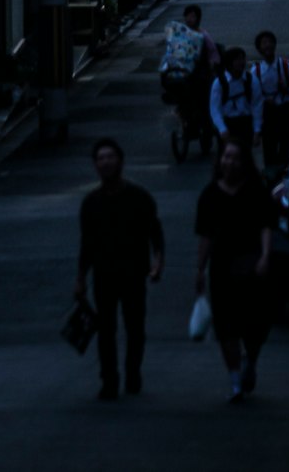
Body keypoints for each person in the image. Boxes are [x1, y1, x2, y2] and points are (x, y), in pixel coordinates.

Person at [75, 137, 164, 401]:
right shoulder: (90, 203)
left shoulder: (139, 198)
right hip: (104, 275)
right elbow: (86, 244)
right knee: (106, 329)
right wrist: (80, 278)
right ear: (95, 165)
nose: (105, 162)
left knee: (135, 327)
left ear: (121, 161)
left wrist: (158, 262)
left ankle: (132, 372)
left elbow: (155, 232)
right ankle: (109, 379)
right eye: (100, 158)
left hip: (134, 273)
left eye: (110, 157)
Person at [194, 139, 276, 404]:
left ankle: (250, 359)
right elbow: (205, 235)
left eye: (235, 158)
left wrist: (265, 256)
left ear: (245, 163)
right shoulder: (209, 195)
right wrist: (200, 269)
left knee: (254, 324)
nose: (229, 162)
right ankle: (234, 380)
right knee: (226, 327)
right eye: (226, 157)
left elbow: (266, 225)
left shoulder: (256, 191)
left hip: (251, 266)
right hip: (221, 269)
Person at [251, 31, 289, 169]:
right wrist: (265, 101)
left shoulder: (287, 67)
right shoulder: (256, 71)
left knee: (285, 147)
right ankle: (271, 180)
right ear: (259, 48)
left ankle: (283, 175)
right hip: (267, 113)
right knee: (269, 148)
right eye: (264, 43)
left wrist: (287, 90)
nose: (267, 45)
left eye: (269, 42)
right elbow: (254, 95)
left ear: (275, 45)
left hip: (285, 110)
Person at [209, 47, 263, 151]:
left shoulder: (251, 80)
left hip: (246, 124)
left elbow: (257, 107)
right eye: (237, 60)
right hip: (228, 124)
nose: (241, 62)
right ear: (229, 63)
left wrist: (257, 131)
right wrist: (222, 129)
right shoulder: (219, 82)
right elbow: (215, 109)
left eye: (242, 59)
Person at [182, 3, 221, 72]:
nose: (189, 19)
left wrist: (213, 63)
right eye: (187, 16)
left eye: (192, 16)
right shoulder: (181, 33)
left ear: (198, 19)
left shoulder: (203, 35)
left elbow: (213, 51)